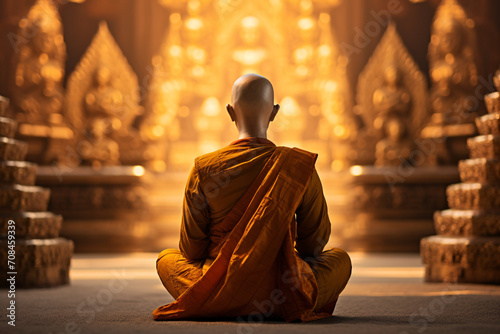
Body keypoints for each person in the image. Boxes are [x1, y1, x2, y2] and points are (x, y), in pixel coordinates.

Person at [153, 74, 351, 322]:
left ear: (229, 112)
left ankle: (219, 303)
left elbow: (192, 250)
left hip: (218, 289)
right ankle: (282, 301)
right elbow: (314, 245)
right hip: (284, 291)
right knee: (340, 259)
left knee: (166, 258)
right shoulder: (298, 166)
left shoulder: (204, 168)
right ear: (274, 112)